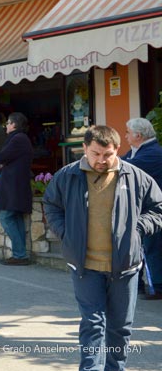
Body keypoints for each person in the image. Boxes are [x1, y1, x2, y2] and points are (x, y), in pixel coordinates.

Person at [43, 125, 162, 371]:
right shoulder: (67, 176)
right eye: (95, 153)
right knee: (92, 323)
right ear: (84, 148)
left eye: (107, 154)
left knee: (120, 326)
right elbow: (51, 205)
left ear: (117, 149)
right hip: (85, 265)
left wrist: (137, 230)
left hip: (125, 266)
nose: (101, 160)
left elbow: (158, 208)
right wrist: (66, 234)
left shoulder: (135, 176)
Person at [123, 117, 162, 299]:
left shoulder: (152, 153)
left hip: (154, 210)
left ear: (138, 135)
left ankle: (156, 286)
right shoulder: (138, 151)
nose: (125, 136)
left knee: (151, 246)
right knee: (142, 247)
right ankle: (141, 284)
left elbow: (122, 168)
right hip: (143, 209)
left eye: (128, 133)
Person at [0, 112, 34, 266]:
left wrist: (1, 160)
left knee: (6, 217)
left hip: (13, 186)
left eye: (9, 123)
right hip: (17, 185)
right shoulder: (21, 139)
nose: (6, 126)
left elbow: (1, 156)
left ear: (15, 124)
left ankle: (20, 254)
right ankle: (20, 254)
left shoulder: (17, 139)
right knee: (16, 218)